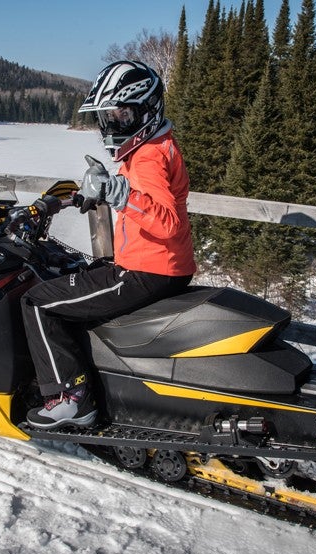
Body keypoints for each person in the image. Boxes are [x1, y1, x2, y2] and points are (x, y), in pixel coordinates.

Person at [21, 60, 197, 429]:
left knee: (37, 302)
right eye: (109, 116)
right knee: (81, 277)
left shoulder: (148, 155)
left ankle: (70, 398)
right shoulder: (156, 144)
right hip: (158, 266)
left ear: (147, 110)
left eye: (122, 114)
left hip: (146, 270)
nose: (112, 124)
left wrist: (118, 194)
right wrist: (90, 197)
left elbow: (167, 223)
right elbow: (141, 199)